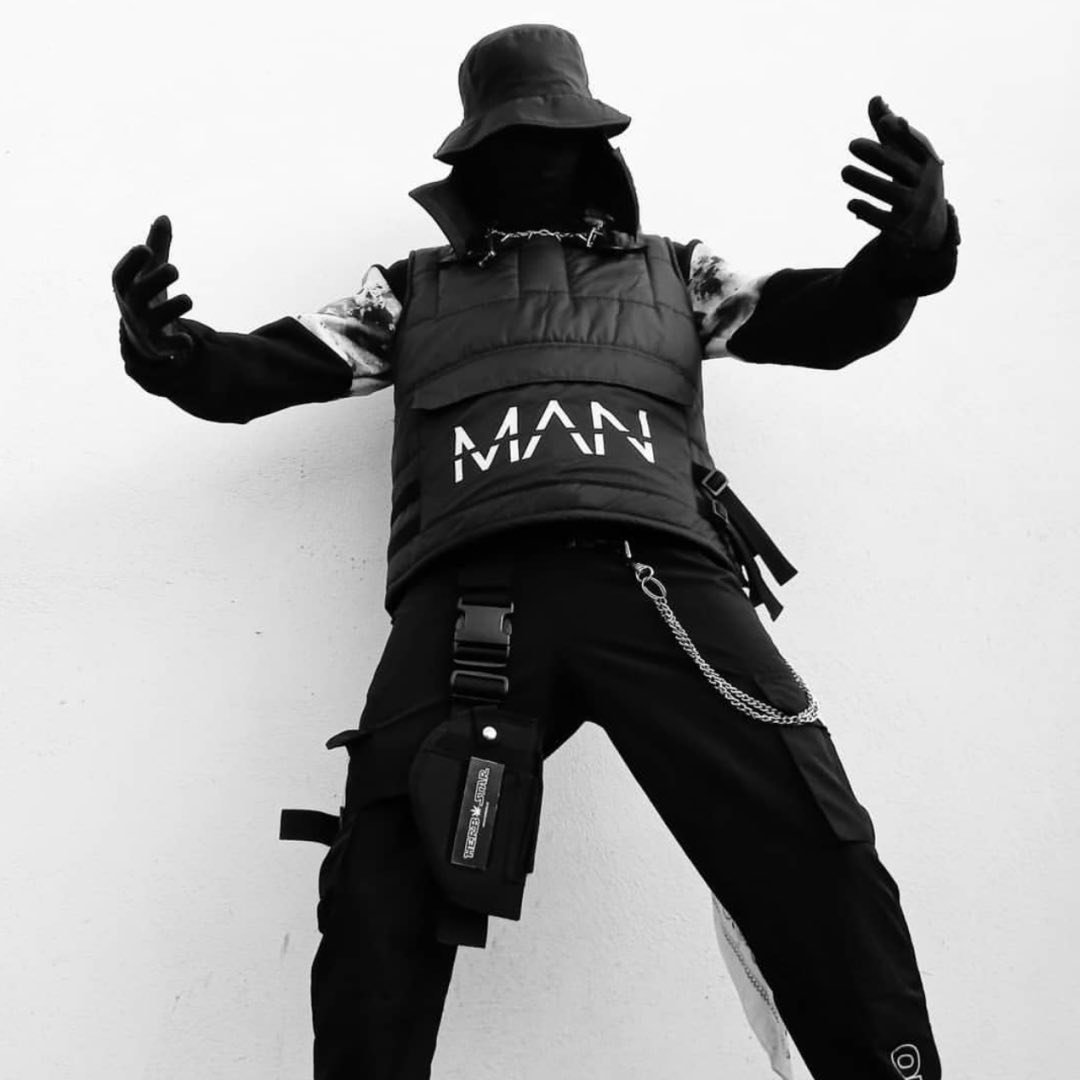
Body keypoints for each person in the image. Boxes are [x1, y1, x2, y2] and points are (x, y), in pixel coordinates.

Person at [112, 22, 959, 1080]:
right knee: (380, 880)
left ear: (597, 146)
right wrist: (170, 351)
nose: (538, 160)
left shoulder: (677, 274)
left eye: (557, 139)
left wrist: (911, 252)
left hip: (660, 581)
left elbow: (825, 319)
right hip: (474, 597)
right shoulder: (408, 292)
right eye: (514, 143)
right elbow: (261, 369)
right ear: (471, 160)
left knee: (811, 839)